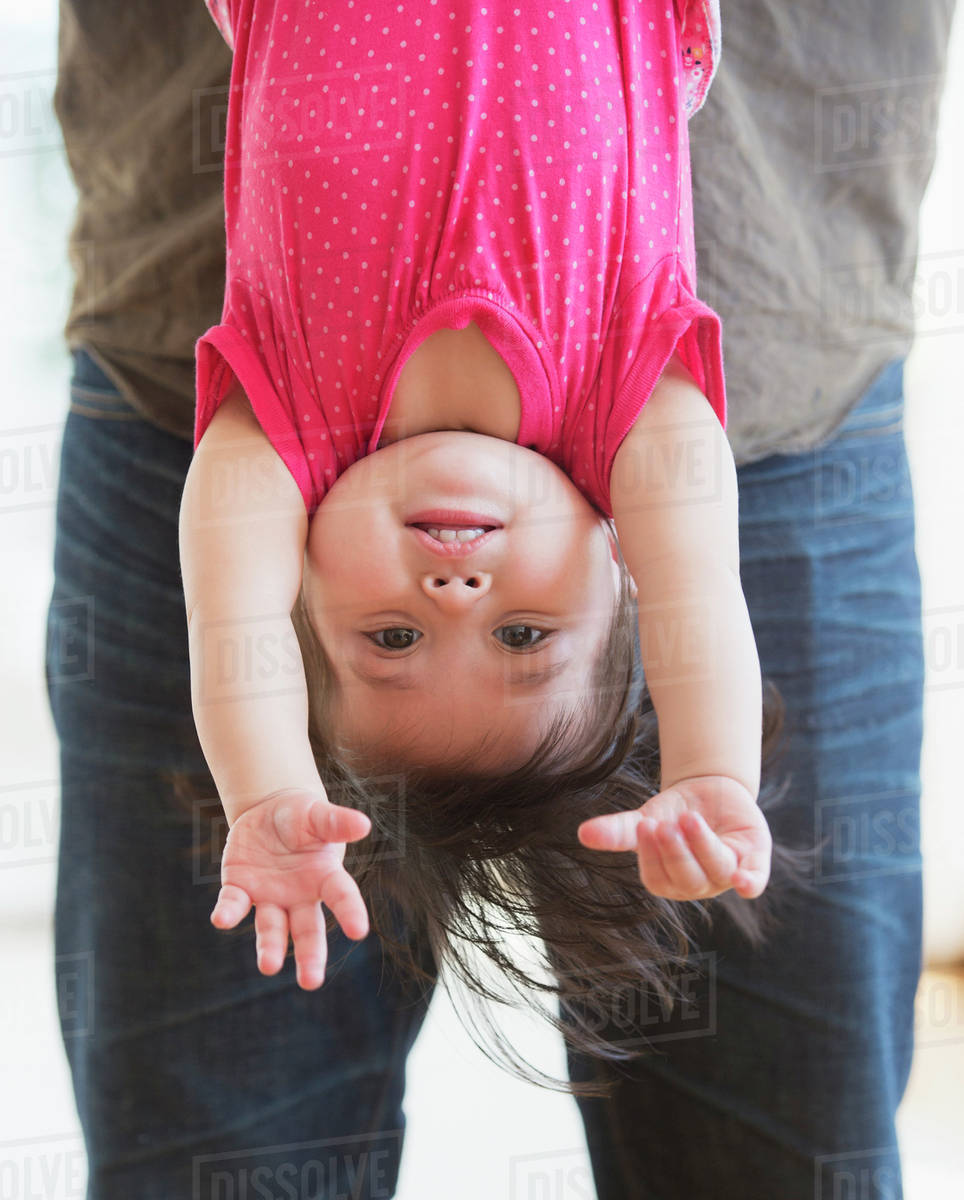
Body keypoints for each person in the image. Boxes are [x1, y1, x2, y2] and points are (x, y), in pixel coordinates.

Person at [45, 1, 952, 1197]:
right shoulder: (634, 403)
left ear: (302, 588)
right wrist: (712, 774)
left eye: (391, 638)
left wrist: (266, 793)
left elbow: (227, 619)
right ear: (616, 571)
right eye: (522, 636)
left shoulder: (286, 421)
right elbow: (701, 598)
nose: (455, 588)